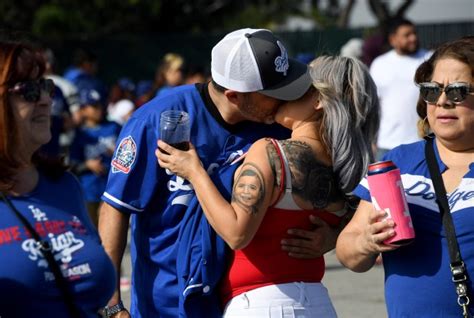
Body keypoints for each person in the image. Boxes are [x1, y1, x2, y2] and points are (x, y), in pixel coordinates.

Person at [99, 28, 341, 317]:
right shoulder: (158, 119)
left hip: (241, 300)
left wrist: (334, 236)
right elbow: (116, 207)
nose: (284, 99)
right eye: (274, 93)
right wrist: (112, 305)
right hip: (167, 303)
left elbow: (333, 193)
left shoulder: (276, 122)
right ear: (235, 95)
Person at [157, 55, 380, 317]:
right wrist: (332, 238)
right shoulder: (348, 167)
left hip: (259, 303)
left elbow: (236, 233)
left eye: (299, 90)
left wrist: (194, 172)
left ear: (318, 102)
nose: (285, 96)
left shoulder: (269, 152)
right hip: (319, 302)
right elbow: (350, 227)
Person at [336, 36, 474, 317]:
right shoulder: (399, 162)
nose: (443, 101)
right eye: (432, 91)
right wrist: (367, 242)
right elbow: (347, 249)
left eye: (458, 91)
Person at [0, 41, 115, 317]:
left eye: (46, 87)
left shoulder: (64, 185)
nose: (46, 100)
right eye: (29, 91)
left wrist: (116, 311)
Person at [370, 18, 431, 159]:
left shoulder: (430, 59)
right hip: (387, 144)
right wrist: (372, 140)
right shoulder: (380, 64)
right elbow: (374, 105)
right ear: (393, 39)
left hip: (422, 142)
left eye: (414, 33)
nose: (413, 38)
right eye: (407, 35)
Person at [70, 89, 121, 228]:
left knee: (109, 228)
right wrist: (87, 164)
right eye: (93, 106)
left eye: (99, 105)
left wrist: (119, 151)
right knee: (91, 229)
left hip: (112, 187)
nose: (98, 109)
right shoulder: (80, 134)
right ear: (84, 109)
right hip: (90, 189)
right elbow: (72, 163)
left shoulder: (114, 127)